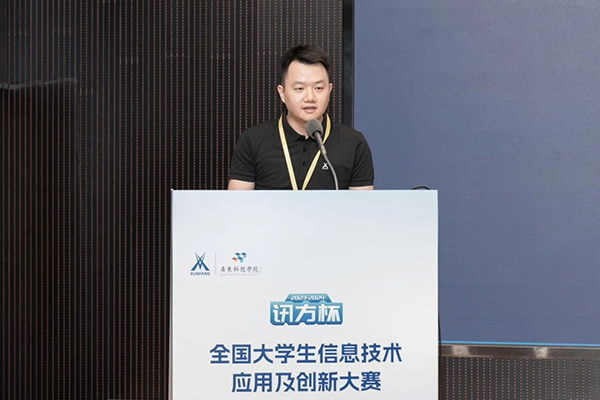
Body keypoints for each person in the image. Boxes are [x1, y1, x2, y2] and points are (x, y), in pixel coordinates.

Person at [228, 45, 374, 190]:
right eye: (299, 88)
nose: (310, 97)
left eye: (318, 88)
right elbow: (236, 203)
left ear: (329, 91)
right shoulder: (253, 141)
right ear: (282, 93)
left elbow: (364, 204)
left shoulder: (354, 144)